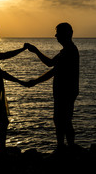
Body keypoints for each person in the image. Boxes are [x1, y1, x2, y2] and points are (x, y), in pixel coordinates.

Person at [23, 23, 79, 151]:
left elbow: (50, 64)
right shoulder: (66, 51)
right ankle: (64, 147)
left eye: (58, 33)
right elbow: (54, 70)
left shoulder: (69, 51)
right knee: (62, 120)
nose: (56, 36)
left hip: (66, 91)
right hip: (65, 91)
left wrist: (36, 50)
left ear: (66, 34)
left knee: (63, 120)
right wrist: (36, 82)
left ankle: (65, 148)